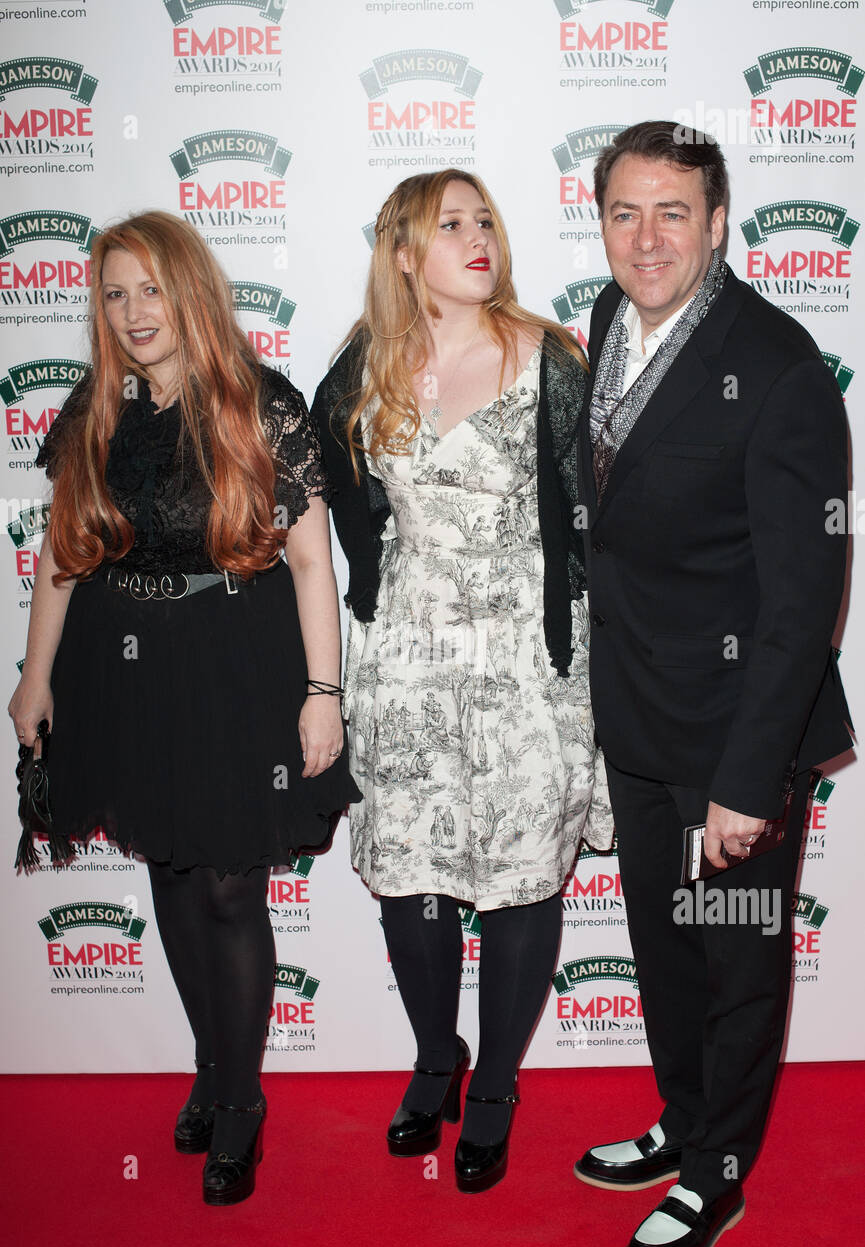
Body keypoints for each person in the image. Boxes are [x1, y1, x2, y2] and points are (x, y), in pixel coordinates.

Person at [8, 211, 358, 1205]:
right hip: (123, 667)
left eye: (151, 289)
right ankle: (212, 1062)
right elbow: (64, 555)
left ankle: (242, 1103)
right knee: (166, 861)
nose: (133, 311)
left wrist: (322, 692)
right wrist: (35, 678)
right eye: (114, 294)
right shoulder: (95, 411)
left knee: (230, 888)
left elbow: (306, 560)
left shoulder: (259, 404)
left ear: (189, 291)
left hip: (238, 658)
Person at [573, 122, 852, 1247]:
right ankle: (683, 1124)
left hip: (734, 740)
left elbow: (802, 604)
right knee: (662, 946)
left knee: (733, 961)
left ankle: (717, 1179)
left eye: (672, 212)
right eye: (624, 212)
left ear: (719, 221)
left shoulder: (778, 367)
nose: (646, 238)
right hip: (637, 724)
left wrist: (747, 781)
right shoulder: (601, 321)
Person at [312, 169, 613, 1193]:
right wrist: (385, 597)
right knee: (412, 873)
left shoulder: (550, 358)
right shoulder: (366, 367)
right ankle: (434, 1056)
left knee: (523, 871)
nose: (476, 238)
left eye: (484, 220)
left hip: (527, 659)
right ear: (404, 252)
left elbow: (589, 515)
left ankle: (494, 1085)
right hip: (406, 661)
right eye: (450, 226)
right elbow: (344, 503)